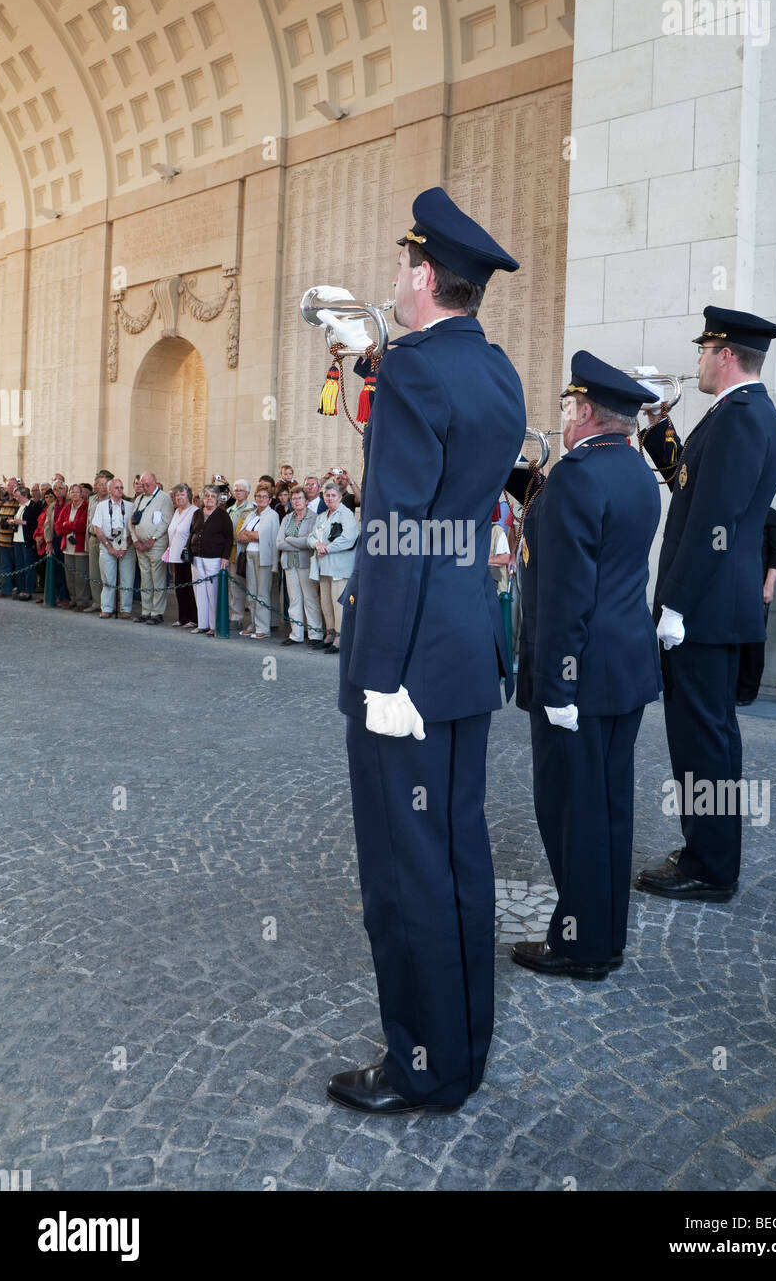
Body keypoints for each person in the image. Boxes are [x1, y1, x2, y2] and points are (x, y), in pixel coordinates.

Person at [325, 186, 525, 1115]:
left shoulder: (412, 371)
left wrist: (383, 673)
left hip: (408, 658)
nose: (395, 279)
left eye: (403, 266)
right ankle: (463, 1049)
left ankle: (420, 1066)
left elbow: (397, 525)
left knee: (405, 871)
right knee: (457, 855)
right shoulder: (499, 372)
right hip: (462, 646)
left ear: (423, 276)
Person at [511, 353, 663, 980]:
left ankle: (580, 945)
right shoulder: (633, 469)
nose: (563, 421)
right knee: (608, 808)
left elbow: (569, 590)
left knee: (572, 813)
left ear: (583, 413)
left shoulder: (577, 476)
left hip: (580, 675)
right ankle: (604, 934)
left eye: (568, 409)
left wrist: (559, 682)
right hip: (623, 666)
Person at [635, 306, 776, 902]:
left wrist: (676, 604)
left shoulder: (741, 418)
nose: (697, 360)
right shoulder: (742, 414)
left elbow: (712, 521)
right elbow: (691, 487)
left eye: (704, 350)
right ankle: (710, 850)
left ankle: (710, 864)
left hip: (705, 609)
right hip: (718, 607)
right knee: (712, 738)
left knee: (703, 741)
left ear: (725, 355)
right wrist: (656, 428)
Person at [737, 506, 776, 706]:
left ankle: (747, 692)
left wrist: (768, 586)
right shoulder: (738, 511)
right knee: (733, 640)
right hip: (734, 587)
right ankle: (730, 688)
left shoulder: (772, 515)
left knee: (753, 641)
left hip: (758, 587)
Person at [307, 482, 359, 653]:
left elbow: (349, 538)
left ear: (340, 497)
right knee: (326, 603)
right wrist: (318, 545)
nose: (329, 499)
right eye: (327, 496)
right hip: (323, 566)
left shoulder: (346, 514)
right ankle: (329, 633)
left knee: (339, 604)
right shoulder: (322, 516)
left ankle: (340, 636)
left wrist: (327, 548)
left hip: (339, 567)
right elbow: (311, 537)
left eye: (333, 496)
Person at [276, 485, 324, 646]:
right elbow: (279, 543)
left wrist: (290, 539)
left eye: (300, 498)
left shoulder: (314, 518)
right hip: (289, 564)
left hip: (306, 563)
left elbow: (309, 543)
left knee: (311, 599)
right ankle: (295, 634)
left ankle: (315, 635)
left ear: (306, 500)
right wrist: (297, 541)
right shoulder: (287, 518)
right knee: (294, 600)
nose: (297, 501)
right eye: (294, 498)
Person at [129, 471, 173, 624]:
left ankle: (157, 612)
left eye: (147, 485)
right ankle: (145, 611)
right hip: (140, 546)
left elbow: (166, 521)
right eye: (142, 485)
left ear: (155, 482)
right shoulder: (139, 498)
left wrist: (152, 540)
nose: (144, 488)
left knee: (158, 578)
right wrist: (136, 541)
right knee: (145, 579)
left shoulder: (164, 498)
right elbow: (131, 521)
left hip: (156, 545)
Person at [188, 486, 233, 635]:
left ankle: (214, 626)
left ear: (217, 499)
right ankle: (202, 624)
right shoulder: (197, 513)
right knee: (199, 591)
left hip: (214, 558)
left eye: (212, 496)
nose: (209, 498)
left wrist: (225, 557)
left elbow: (229, 538)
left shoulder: (222, 515)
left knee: (212, 593)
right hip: (197, 557)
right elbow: (192, 532)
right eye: (206, 495)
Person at [237, 483, 279, 638]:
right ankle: (253, 624)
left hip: (264, 557)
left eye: (264, 496)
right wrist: (253, 535)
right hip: (249, 555)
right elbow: (240, 535)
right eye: (258, 496)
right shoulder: (251, 514)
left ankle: (263, 628)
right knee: (251, 592)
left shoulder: (272, 515)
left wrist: (253, 534)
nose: (261, 499)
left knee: (262, 593)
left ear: (269, 499)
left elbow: (267, 537)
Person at [92, 478, 136, 618]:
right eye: (116, 487)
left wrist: (125, 546)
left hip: (125, 541)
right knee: (108, 578)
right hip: (108, 542)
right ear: (110, 490)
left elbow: (134, 529)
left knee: (127, 578)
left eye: (121, 487)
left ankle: (125, 609)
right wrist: (109, 548)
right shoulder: (102, 506)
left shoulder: (130, 506)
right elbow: (97, 528)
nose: (119, 490)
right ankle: (107, 608)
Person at [165, 484, 198, 628]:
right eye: (177, 495)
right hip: (175, 555)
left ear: (188, 495)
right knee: (179, 587)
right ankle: (182, 617)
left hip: (187, 556)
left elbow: (195, 532)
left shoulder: (195, 511)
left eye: (182, 494)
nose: (179, 497)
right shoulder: (176, 511)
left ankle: (193, 618)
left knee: (189, 588)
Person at [54, 484, 89, 609]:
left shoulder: (86, 507)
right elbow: (58, 527)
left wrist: (67, 524)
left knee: (80, 576)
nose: (74, 494)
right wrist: (68, 525)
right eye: (72, 492)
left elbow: (82, 525)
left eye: (77, 492)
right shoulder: (67, 507)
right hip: (67, 547)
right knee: (70, 577)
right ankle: (73, 600)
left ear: (81, 493)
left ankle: (82, 601)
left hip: (80, 547)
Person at [227, 480, 254, 633]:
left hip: (243, 552)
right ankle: (235, 617)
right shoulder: (230, 509)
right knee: (234, 587)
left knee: (246, 586)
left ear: (248, 493)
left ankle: (252, 620)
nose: (238, 493)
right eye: (236, 490)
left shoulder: (251, 509)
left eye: (241, 490)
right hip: (230, 551)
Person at [83, 474, 111, 613]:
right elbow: (89, 521)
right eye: (100, 484)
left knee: (107, 573)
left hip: (107, 539)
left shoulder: (112, 500)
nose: (103, 487)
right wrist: (86, 542)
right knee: (94, 573)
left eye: (106, 484)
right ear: (95, 486)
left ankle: (108, 604)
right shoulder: (92, 500)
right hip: (93, 538)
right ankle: (96, 603)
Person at [11, 486, 42, 600]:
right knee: (19, 565)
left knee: (28, 566)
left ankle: (28, 590)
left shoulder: (33, 506)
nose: (16, 498)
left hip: (27, 539)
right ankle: (21, 589)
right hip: (17, 539)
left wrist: (23, 522)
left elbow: (36, 523)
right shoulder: (19, 506)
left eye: (18, 496)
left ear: (24, 495)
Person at [0, 481, 19, 597]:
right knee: (4, 566)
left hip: (12, 539)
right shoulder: (3, 501)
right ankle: (5, 590)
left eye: (13, 486)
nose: (10, 488)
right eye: (9, 485)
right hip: (1, 539)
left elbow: (15, 520)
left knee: (15, 566)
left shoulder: (17, 503)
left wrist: (7, 522)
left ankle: (15, 589)